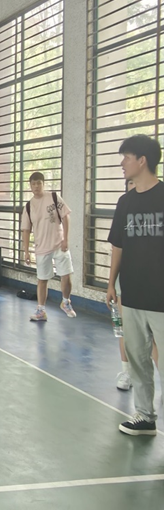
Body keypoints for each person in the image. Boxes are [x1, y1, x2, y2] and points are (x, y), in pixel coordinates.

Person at [106, 134, 164, 436]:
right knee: (139, 361)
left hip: (161, 298)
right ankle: (145, 416)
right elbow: (118, 245)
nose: (122, 163)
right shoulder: (125, 202)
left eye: (126, 157)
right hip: (131, 295)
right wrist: (111, 284)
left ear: (142, 161)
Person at [20, 172, 75, 321]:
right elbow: (26, 230)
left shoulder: (54, 197)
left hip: (59, 245)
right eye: (33, 184)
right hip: (41, 248)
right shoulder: (29, 206)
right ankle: (41, 311)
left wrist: (66, 239)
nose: (36, 186)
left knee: (66, 274)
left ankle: (66, 302)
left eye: (39, 183)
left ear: (43, 184)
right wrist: (26, 251)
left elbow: (66, 217)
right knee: (42, 279)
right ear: (30, 186)